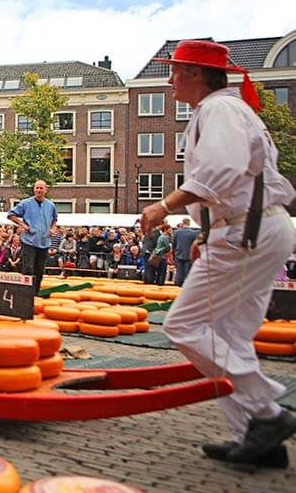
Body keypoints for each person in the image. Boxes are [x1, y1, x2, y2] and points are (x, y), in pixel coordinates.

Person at [140, 39, 296, 467]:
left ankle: (268, 412)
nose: (170, 81)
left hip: (248, 231)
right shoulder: (223, 110)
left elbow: (221, 171)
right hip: (250, 227)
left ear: (193, 73)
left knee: (185, 326)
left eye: (174, 72)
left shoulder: (219, 109)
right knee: (229, 338)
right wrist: (208, 228)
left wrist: (163, 204)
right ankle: (256, 437)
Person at [8, 180, 58, 295]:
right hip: (29, 241)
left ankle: (35, 292)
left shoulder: (50, 205)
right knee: (28, 268)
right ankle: (26, 293)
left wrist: (53, 229)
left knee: (40, 269)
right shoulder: (26, 203)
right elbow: (11, 214)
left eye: (41, 188)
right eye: (37, 188)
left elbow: (55, 219)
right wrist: (23, 225)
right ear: (34, 189)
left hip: (44, 241)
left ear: (46, 190)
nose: (39, 190)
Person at [172, 218, 198, 286]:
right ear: (189, 223)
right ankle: (186, 288)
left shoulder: (176, 232)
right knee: (187, 273)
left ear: (182, 223)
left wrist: (173, 254)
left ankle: (176, 288)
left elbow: (174, 244)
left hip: (178, 254)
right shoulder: (193, 233)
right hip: (189, 256)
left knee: (179, 272)